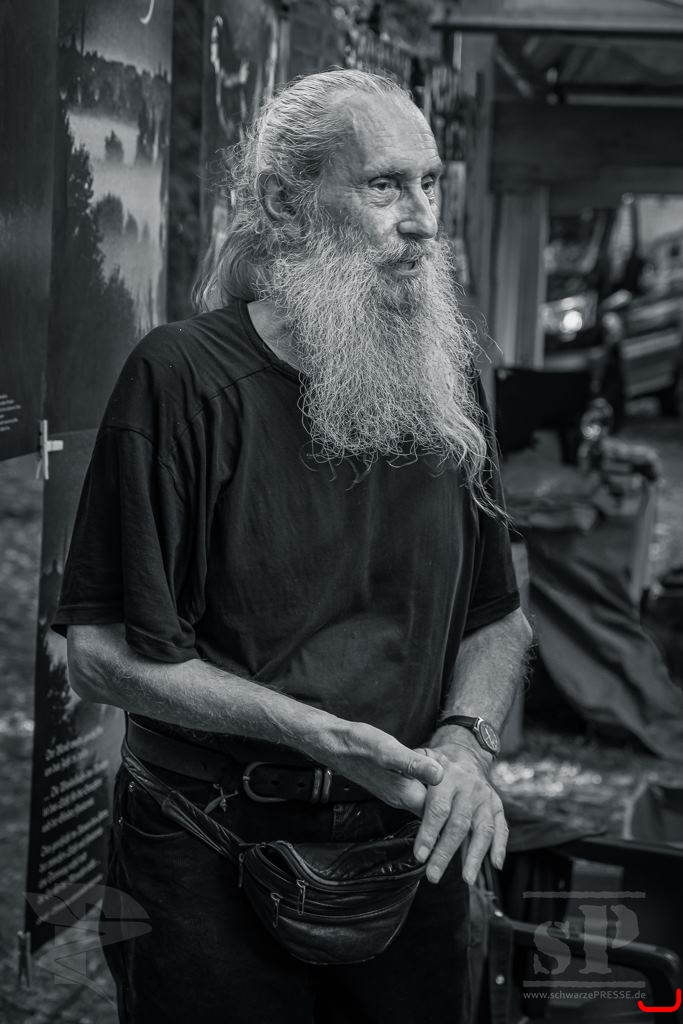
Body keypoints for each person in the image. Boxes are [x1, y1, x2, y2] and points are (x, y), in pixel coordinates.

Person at [53, 69, 531, 1023]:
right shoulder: (182, 380)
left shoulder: (448, 381)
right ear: (284, 202)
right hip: (207, 849)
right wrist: (321, 737)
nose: (421, 222)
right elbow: (100, 656)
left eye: (428, 184)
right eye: (383, 186)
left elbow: (497, 618)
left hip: (410, 845)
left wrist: (465, 743)